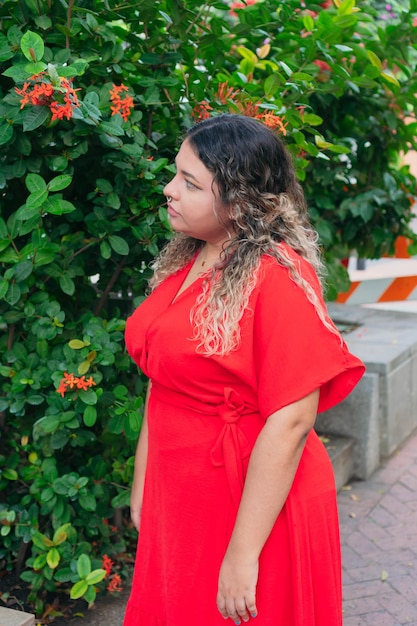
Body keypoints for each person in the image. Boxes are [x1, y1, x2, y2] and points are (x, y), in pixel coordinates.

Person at [122, 113, 365, 626]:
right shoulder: (192, 253)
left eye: (189, 183)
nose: (169, 190)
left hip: (249, 501)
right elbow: (164, 378)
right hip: (185, 488)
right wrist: (145, 480)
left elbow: (294, 419)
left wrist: (242, 553)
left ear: (238, 200)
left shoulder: (278, 274)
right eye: (175, 174)